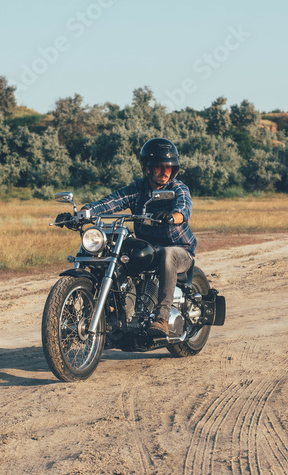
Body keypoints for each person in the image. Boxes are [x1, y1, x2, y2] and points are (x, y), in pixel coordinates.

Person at [56, 137, 196, 337]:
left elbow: (184, 209)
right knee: (117, 254)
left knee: (168, 254)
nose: (164, 171)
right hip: (150, 247)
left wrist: (173, 217)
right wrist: (82, 214)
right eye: (158, 166)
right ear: (147, 167)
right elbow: (111, 202)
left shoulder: (177, 188)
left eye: (168, 166)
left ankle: (162, 317)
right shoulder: (137, 189)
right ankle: (115, 315)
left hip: (179, 249)